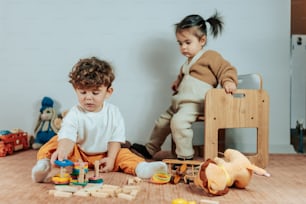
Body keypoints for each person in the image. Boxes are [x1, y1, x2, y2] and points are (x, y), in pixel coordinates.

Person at [31, 57, 167, 183]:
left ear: (108, 92)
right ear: (75, 90)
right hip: (79, 154)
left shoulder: (113, 112)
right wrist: (63, 151)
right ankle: (44, 165)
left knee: (125, 153)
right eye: (83, 92)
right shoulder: (74, 113)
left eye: (95, 93)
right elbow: (67, 135)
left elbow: (115, 139)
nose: (88, 97)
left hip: (105, 154)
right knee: (55, 141)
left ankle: (142, 168)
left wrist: (112, 159)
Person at [131, 12, 238, 160]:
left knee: (179, 122)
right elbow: (184, 76)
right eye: (180, 43)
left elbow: (226, 69)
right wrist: (177, 83)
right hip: (179, 103)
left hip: (197, 103)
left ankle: (185, 155)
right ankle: (150, 148)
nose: (183, 47)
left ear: (202, 40)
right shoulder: (187, 63)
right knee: (161, 122)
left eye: (187, 42)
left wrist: (228, 81)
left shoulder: (211, 56)